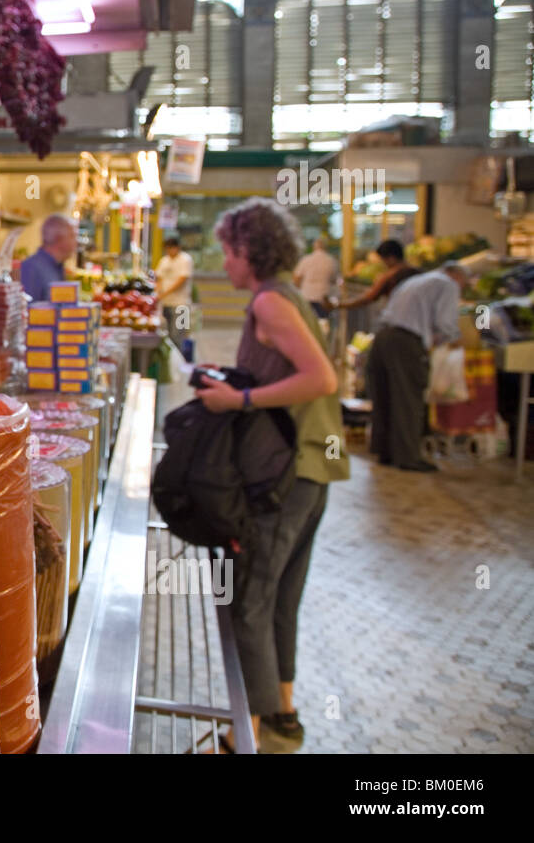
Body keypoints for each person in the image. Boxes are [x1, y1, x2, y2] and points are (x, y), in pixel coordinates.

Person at [194, 198, 349, 753]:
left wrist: (240, 399)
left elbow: (321, 379)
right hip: (310, 472)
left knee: (250, 602)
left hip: (284, 476)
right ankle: (281, 717)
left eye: (228, 252)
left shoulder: (269, 303)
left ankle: (247, 736)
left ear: (246, 251)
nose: (225, 263)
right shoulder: (284, 298)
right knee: (281, 599)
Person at [364, 261, 470, 472]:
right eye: (464, 285)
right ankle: (408, 457)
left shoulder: (416, 281)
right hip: (407, 341)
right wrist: (456, 339)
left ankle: (385, 452)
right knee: (408, 399)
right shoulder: (447, 284)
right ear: (457, 276)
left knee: (385, 397)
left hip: (383, 338)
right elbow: (445, 322)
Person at [329, 238, 419, 312]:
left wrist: (338, 305)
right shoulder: (418, 272)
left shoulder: (391, 276)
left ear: (391, 258)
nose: (383, 264)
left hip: (400, 320)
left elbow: (367, 298)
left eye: (384, 261)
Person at [20, 214, 77, 302]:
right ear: (59, 238)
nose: (76, 242)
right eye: (72, 236)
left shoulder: (57, 267)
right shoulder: (31, 269)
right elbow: (27, 311)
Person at [155, 235, 194, 349]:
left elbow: (182, 279)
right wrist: (158, 292)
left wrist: (165, 293)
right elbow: (159, 277)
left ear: (177, 247)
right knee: (168, 337)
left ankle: (181, 364)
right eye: (167, 248)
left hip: (182, 305)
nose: (169, 251)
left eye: (171, 248)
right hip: (166, 304)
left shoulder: (185, 259)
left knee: (178, 337)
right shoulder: (164, 260)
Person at [292, 235, 339, 319]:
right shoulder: (331, 261)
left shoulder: (306, 260)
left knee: (307, 323)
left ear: (314, 246)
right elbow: (334, 280)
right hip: (323, 298)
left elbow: (296, 279)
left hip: (307, 296)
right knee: (323, 323)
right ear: (326, 247)